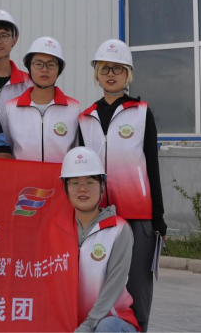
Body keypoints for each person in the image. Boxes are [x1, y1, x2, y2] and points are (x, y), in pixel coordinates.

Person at [78, 39, 165, 333]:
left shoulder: (141, 112)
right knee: (97, 280)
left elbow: (152, 165)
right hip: (98, 214)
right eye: (105, 69)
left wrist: (158, 217)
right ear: (96, 74)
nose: (111, 74)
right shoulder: (85, 118)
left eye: (118, 68)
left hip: (137, 213)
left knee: (137, 283)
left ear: (128, 74)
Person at [62, 146, 140, 333]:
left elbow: (114, 286)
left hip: (113, 322)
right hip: (72, 323)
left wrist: (88, 325)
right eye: (74, 183)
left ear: (102, 186)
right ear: (66, 189)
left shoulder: (118, 229)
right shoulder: (57, 229)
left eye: (90, 182)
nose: (82, 189)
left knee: (106, 327)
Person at [1, 36, 82, 162]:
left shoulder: (73, 108)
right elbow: (6, 151)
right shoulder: (11, 108)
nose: (44, 69)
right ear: (29, 67)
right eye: (38, 64)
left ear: (59, 69)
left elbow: (77, 152)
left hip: (61, 175)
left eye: (51, 64)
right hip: (23, 175)